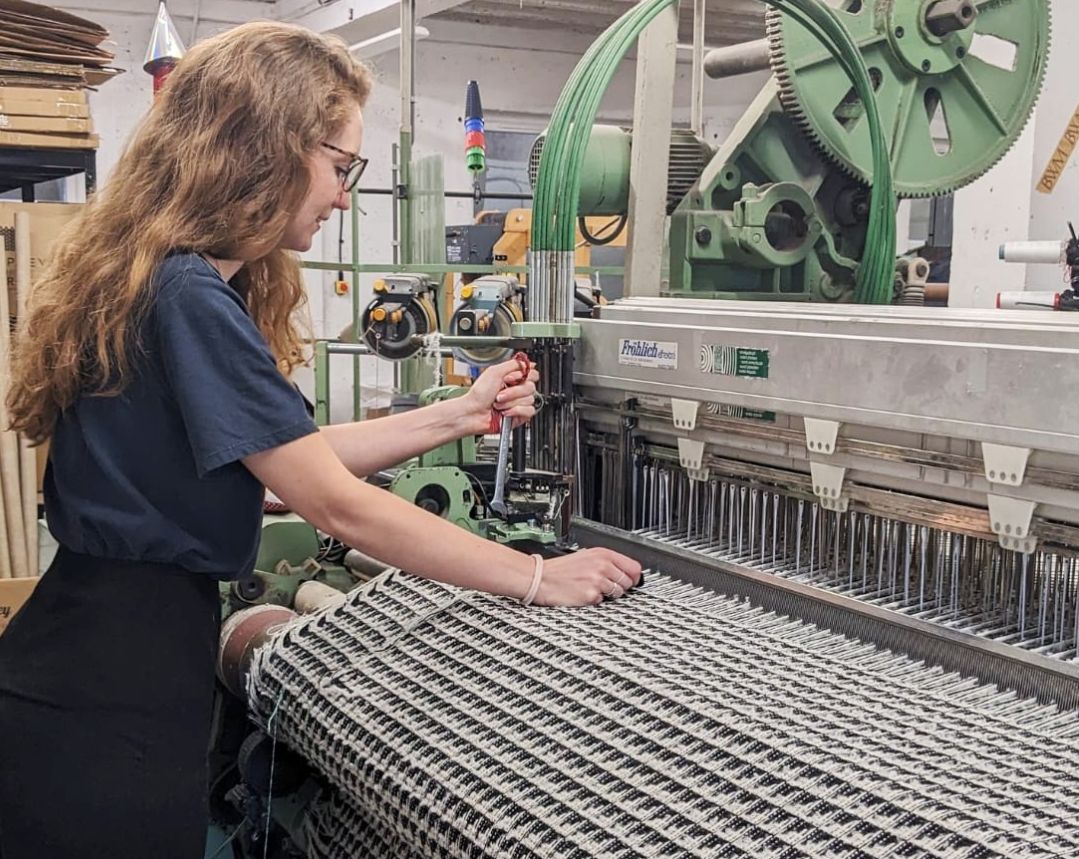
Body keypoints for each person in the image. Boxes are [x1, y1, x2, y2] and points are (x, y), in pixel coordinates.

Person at [0, 21, 640, 859]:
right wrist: (534, 576)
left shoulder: (163, 277)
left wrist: (459, 413)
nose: (344, 195)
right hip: (109, 692)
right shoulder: (189, 294)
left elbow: (286, 454)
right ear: (265, 150)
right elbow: (332, 502)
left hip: (96, 654)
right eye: (340, 167)